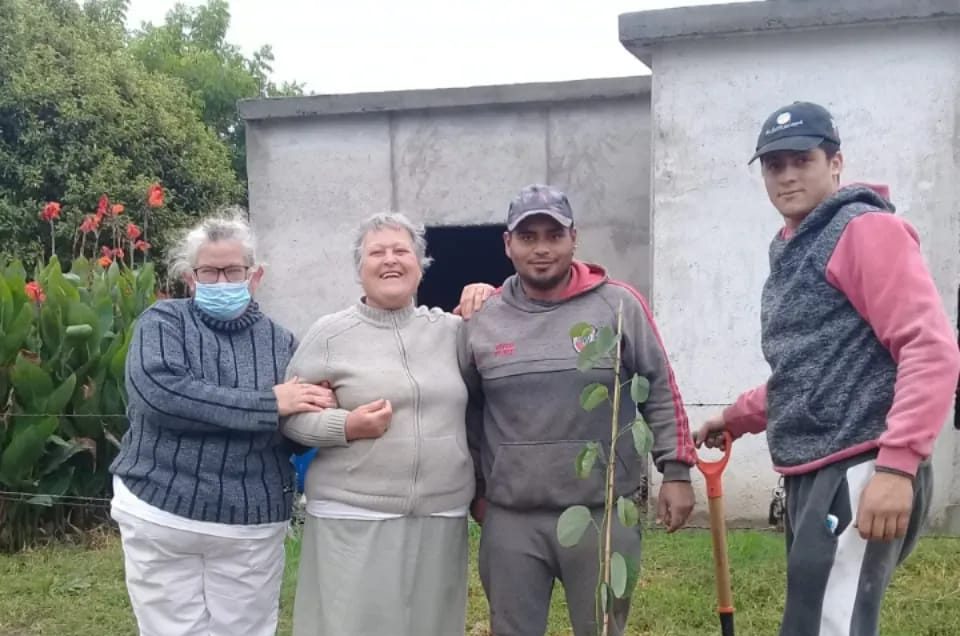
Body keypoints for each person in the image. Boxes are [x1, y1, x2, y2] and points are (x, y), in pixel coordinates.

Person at [694, 101, 960, 636]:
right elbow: (810, 369)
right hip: (818, 467)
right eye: (773, 165)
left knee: (828, 626)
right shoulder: (796, 246)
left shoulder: (863, 231)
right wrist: (736, 416)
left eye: (802, 159)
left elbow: (930, 348)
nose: (787, 175)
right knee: (815, 621)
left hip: (861, 463)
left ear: (835, 163)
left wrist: (896, 467)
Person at [457, 184, 697, 636]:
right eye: (528, 237)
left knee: (602, 629)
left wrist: (678, 471)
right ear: (508, 244)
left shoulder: (618, 305)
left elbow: (660, 386)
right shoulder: (482, 319)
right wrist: (477, 489)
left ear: (574, 238)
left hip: (601, 511)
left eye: (554, 234)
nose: (542, 249)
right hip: (512, 517)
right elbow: (466, 411)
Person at [110, 213, 335, 636]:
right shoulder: (162, 323)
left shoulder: (283, 341)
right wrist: (269, 403)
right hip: (162, 512)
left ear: (256, 275)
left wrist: (320, 408)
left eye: (233, 270)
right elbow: (163, 397)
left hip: (250, 520)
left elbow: (293, 429)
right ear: (190, 277)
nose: (221, 280)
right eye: (209, 271)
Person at [282, 212, 493, 636]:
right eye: (376, 252)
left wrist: (490, 295)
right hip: (353, 514)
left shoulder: (452, 331)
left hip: (441, 511)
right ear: (359, 270)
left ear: (420, 265)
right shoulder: (330, 334)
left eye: (402, 250)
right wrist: (346, 426)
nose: (390, 260)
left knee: (430, 626)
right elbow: (292, 420)